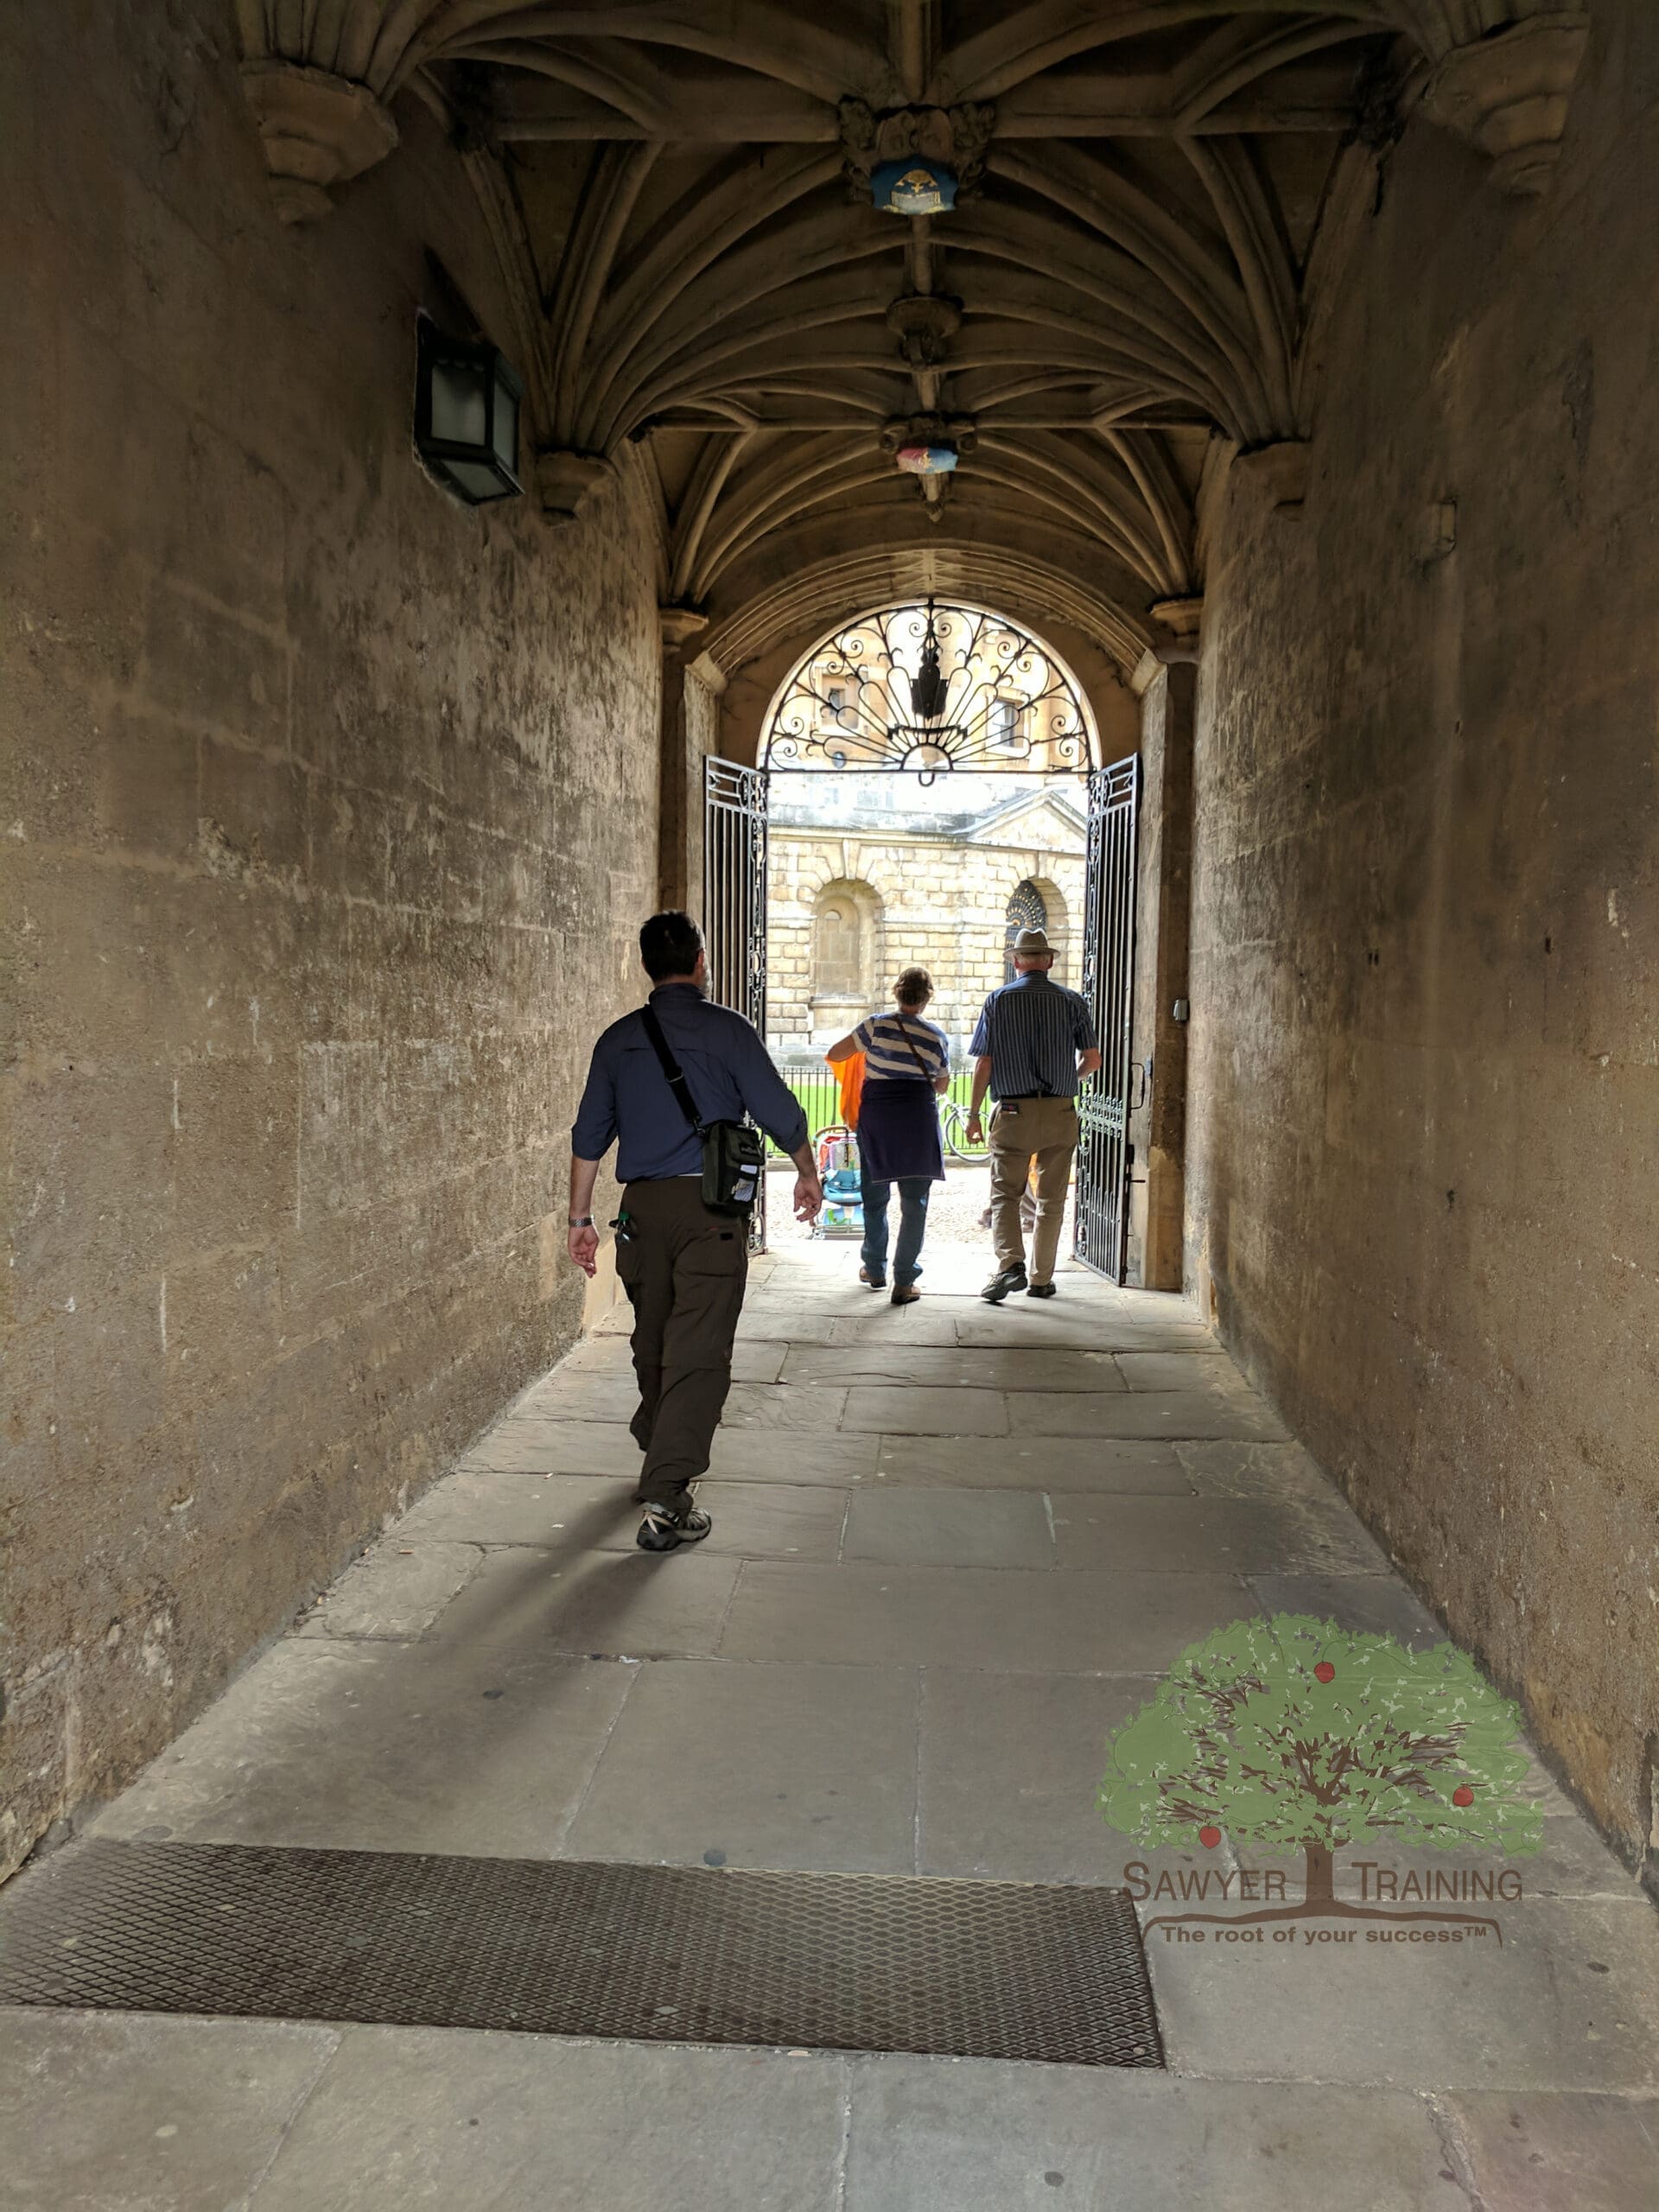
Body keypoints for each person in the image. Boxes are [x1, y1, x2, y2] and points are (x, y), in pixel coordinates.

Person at [569, 912, 823, 1552]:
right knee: (699, 1350)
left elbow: (588, 1138)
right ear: (701, 961)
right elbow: (778, 1111)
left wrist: (578, 1220)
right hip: (710, 1214)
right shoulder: (727, 1031)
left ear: (646, 965)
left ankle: (659, 1448)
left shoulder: (617, 1040)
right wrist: (806, 1172)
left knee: (653, 1338)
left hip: (641, 1215)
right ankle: (668, 1494)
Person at [965, 926, 1101, 1303]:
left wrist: (974, 1113)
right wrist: (1067, 1082)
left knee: (1005, 1195)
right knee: (1051, 1200)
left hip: (1014, 1110)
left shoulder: (998, 1001)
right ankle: (1042, 1278)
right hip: (1059, 1110)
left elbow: (984, 1063)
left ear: (1018, 961)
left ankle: (1011, 1265)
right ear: (1050, 961)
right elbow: (1093, 1060)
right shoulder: (1072, 1001)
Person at [826, 967, 949, 1306]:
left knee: (875, 1197)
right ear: (926, 999)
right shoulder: (937, 1037)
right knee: (915, 1204)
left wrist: (868, 1059)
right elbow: (941, 1084)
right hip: (917, 1121)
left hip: (879, 1119)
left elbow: (837, 1053)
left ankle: (875, 1268)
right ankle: (905, 1280)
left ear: (897, 992)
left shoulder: (875, 1026)